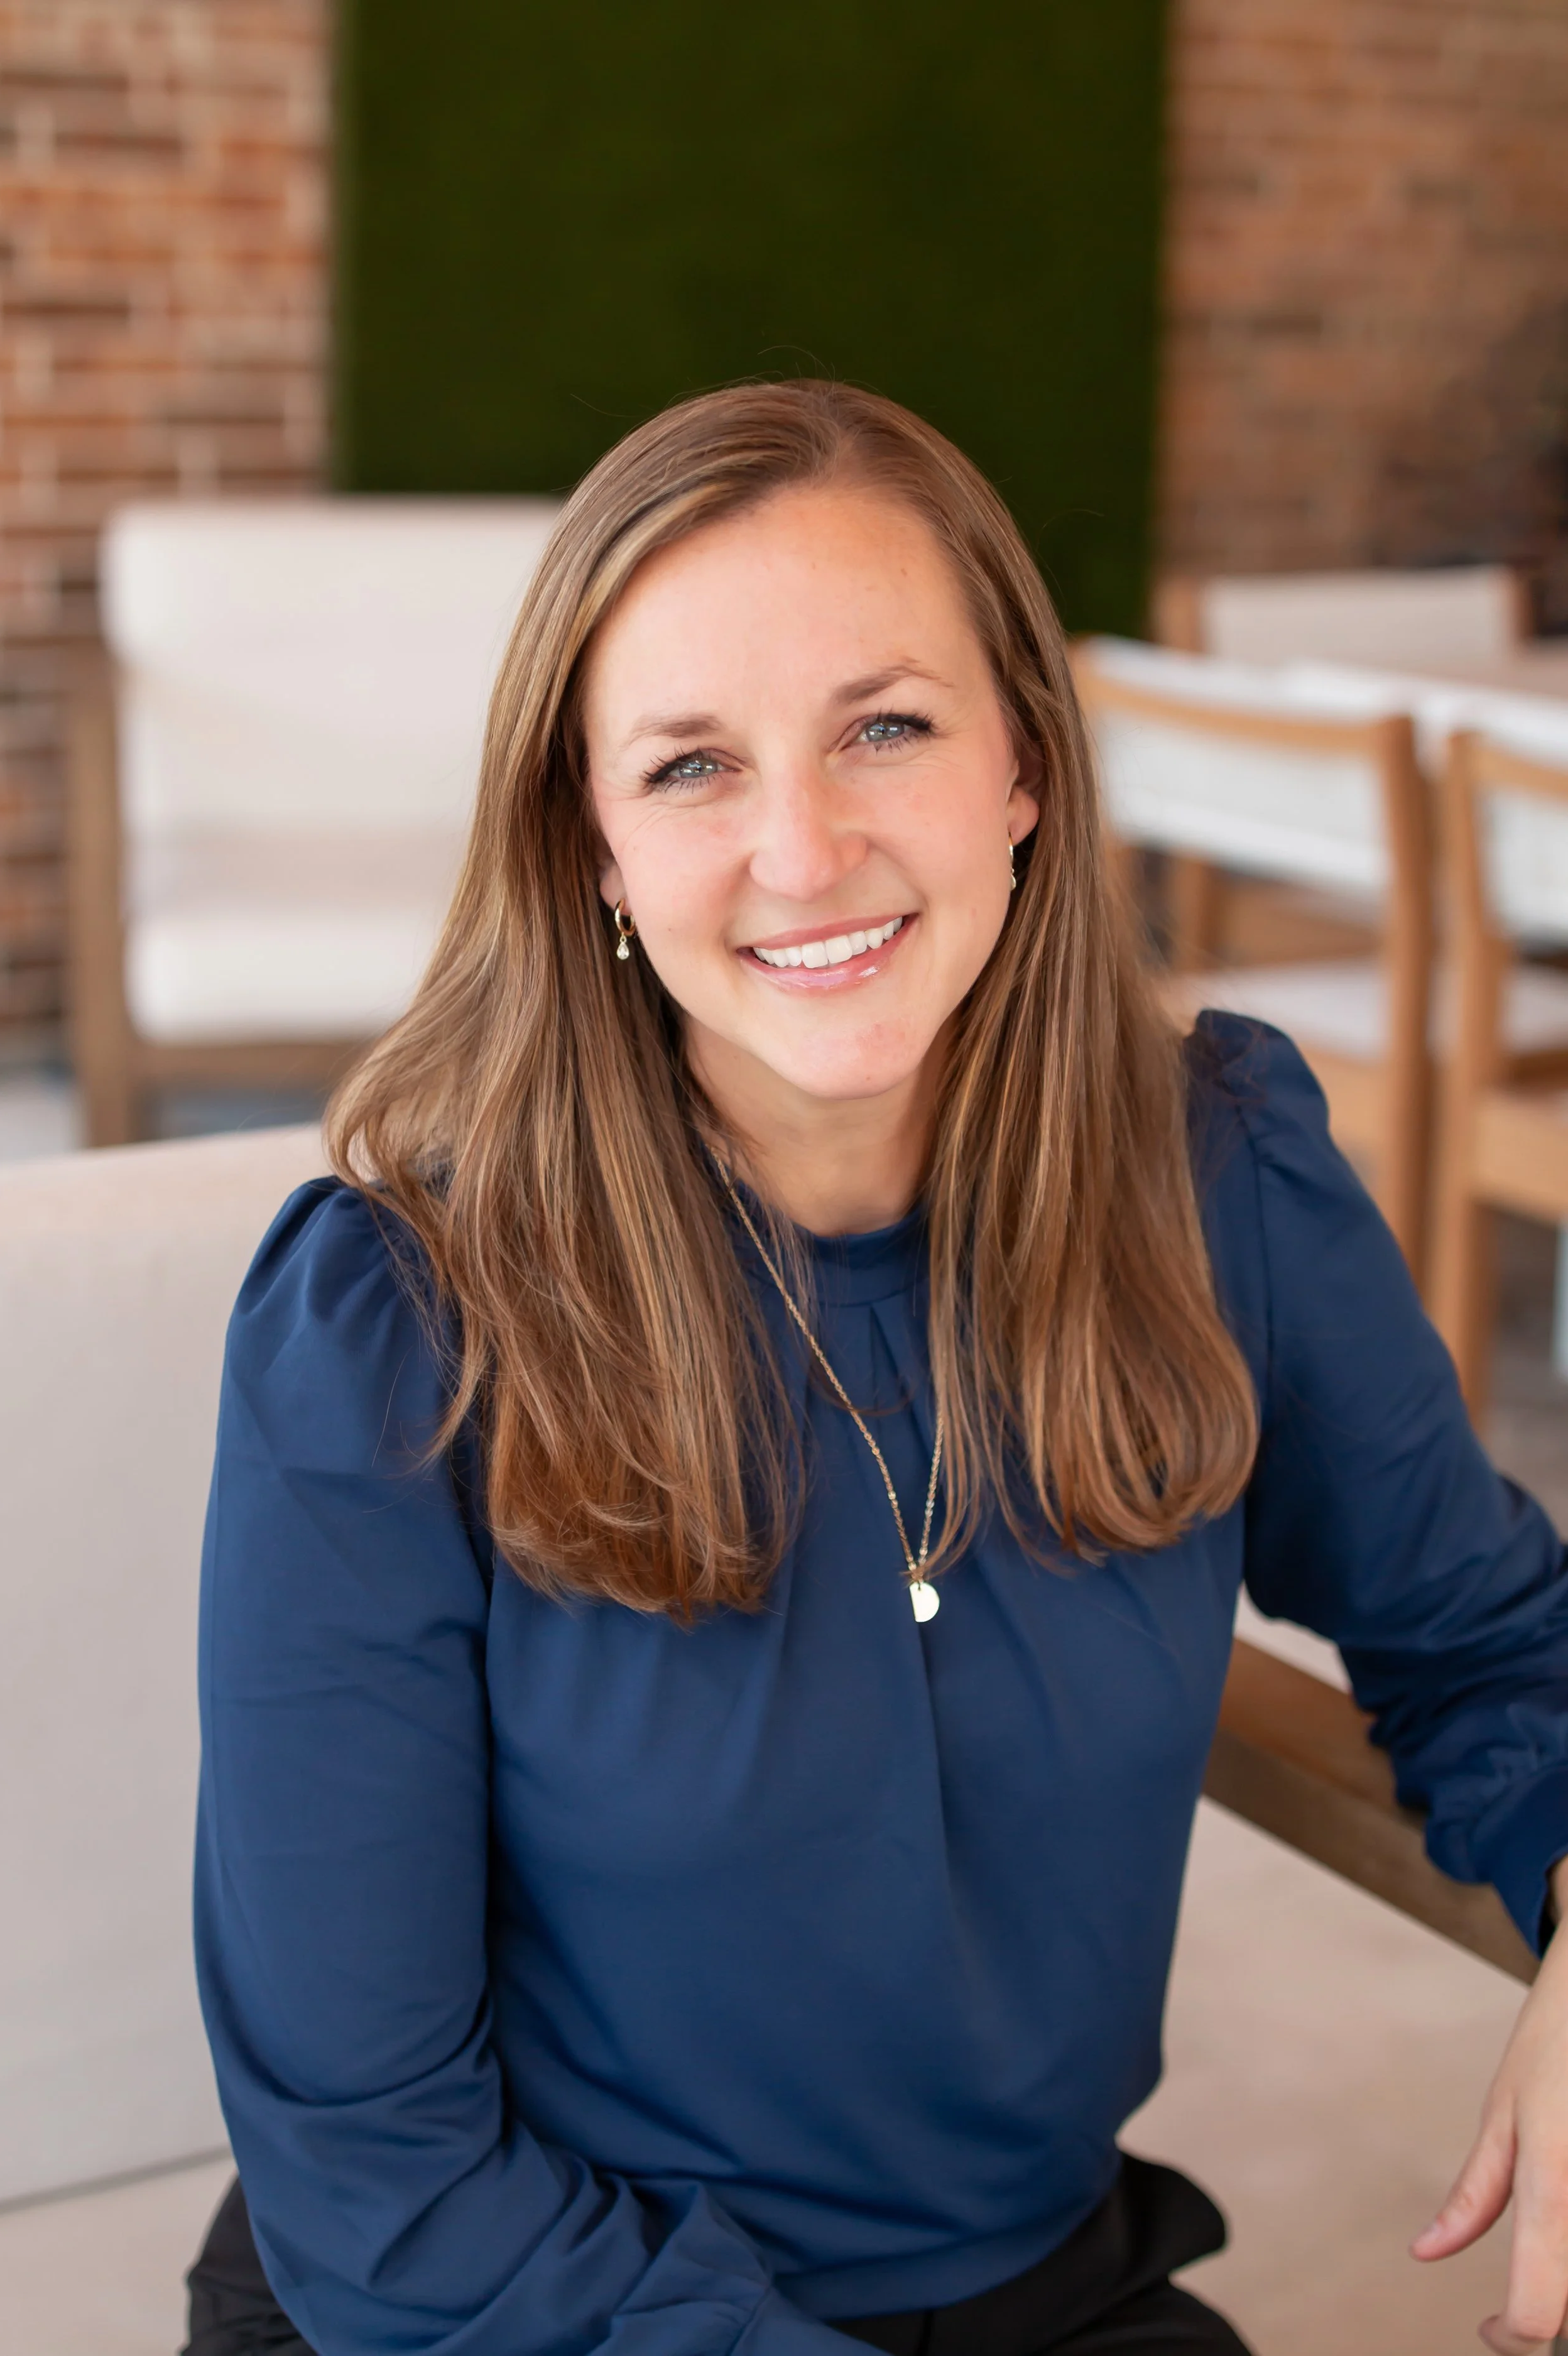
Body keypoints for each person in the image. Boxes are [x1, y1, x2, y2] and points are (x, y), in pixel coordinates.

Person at [187, 381, 1568, 2356]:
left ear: (1020, 759)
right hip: (520, 2309)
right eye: (688, 768)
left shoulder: (1215, 1175)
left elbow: (1496, 1641)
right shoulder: (393, 1332)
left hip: (1038, 2291)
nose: (804, 847)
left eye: (886, 726)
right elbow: (376, 2178)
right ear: (587, 841)